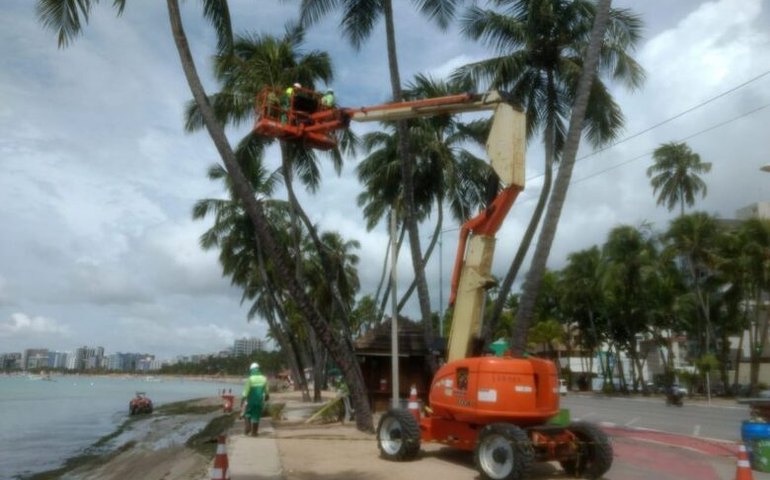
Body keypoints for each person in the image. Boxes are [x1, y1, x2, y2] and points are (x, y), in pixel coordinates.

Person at [241, 362, 269, 436]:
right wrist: (266, 397)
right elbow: (266, 391)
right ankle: (254, 432)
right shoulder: (264, 378)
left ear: (251, 370)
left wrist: (242, 400)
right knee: (256, 416)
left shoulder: (250, 379)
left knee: (247, 414)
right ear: (258, 369)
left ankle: (248, 428)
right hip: (259, 401)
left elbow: (245, 392)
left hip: (250, 401)